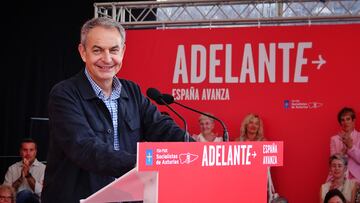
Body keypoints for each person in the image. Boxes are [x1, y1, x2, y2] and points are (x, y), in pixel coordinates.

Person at [41, 17, 190, 203]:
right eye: (97, 50)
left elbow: (161, 127)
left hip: (127, 198)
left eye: (113, 50)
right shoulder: (64, 94)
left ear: (123, 51)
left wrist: (194, 149)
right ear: (83, 52)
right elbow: (84, 147)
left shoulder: (132, 91)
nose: (107, 58)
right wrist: (140, 163)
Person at [3, 138, 46, 203]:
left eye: (31, 150)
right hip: (17, 200)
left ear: (35, 152)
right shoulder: (12, 168)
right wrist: (20, 179)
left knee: (25, 193)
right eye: (25, 150)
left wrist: (28, 175)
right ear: (20, 152)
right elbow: (6, 193)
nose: (28, 153)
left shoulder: (44, 169)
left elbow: (41, 193)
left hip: (36, 201)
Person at [330, 107, 360, 183]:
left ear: (353, 121)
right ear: (340, 123)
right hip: (338, 177)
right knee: (326, 189)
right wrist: (340, 155)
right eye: (342, 120)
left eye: (348, 119)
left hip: (357, 177)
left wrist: (351, 147)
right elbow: (333, 162)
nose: (345, 122)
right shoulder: (334, 139)